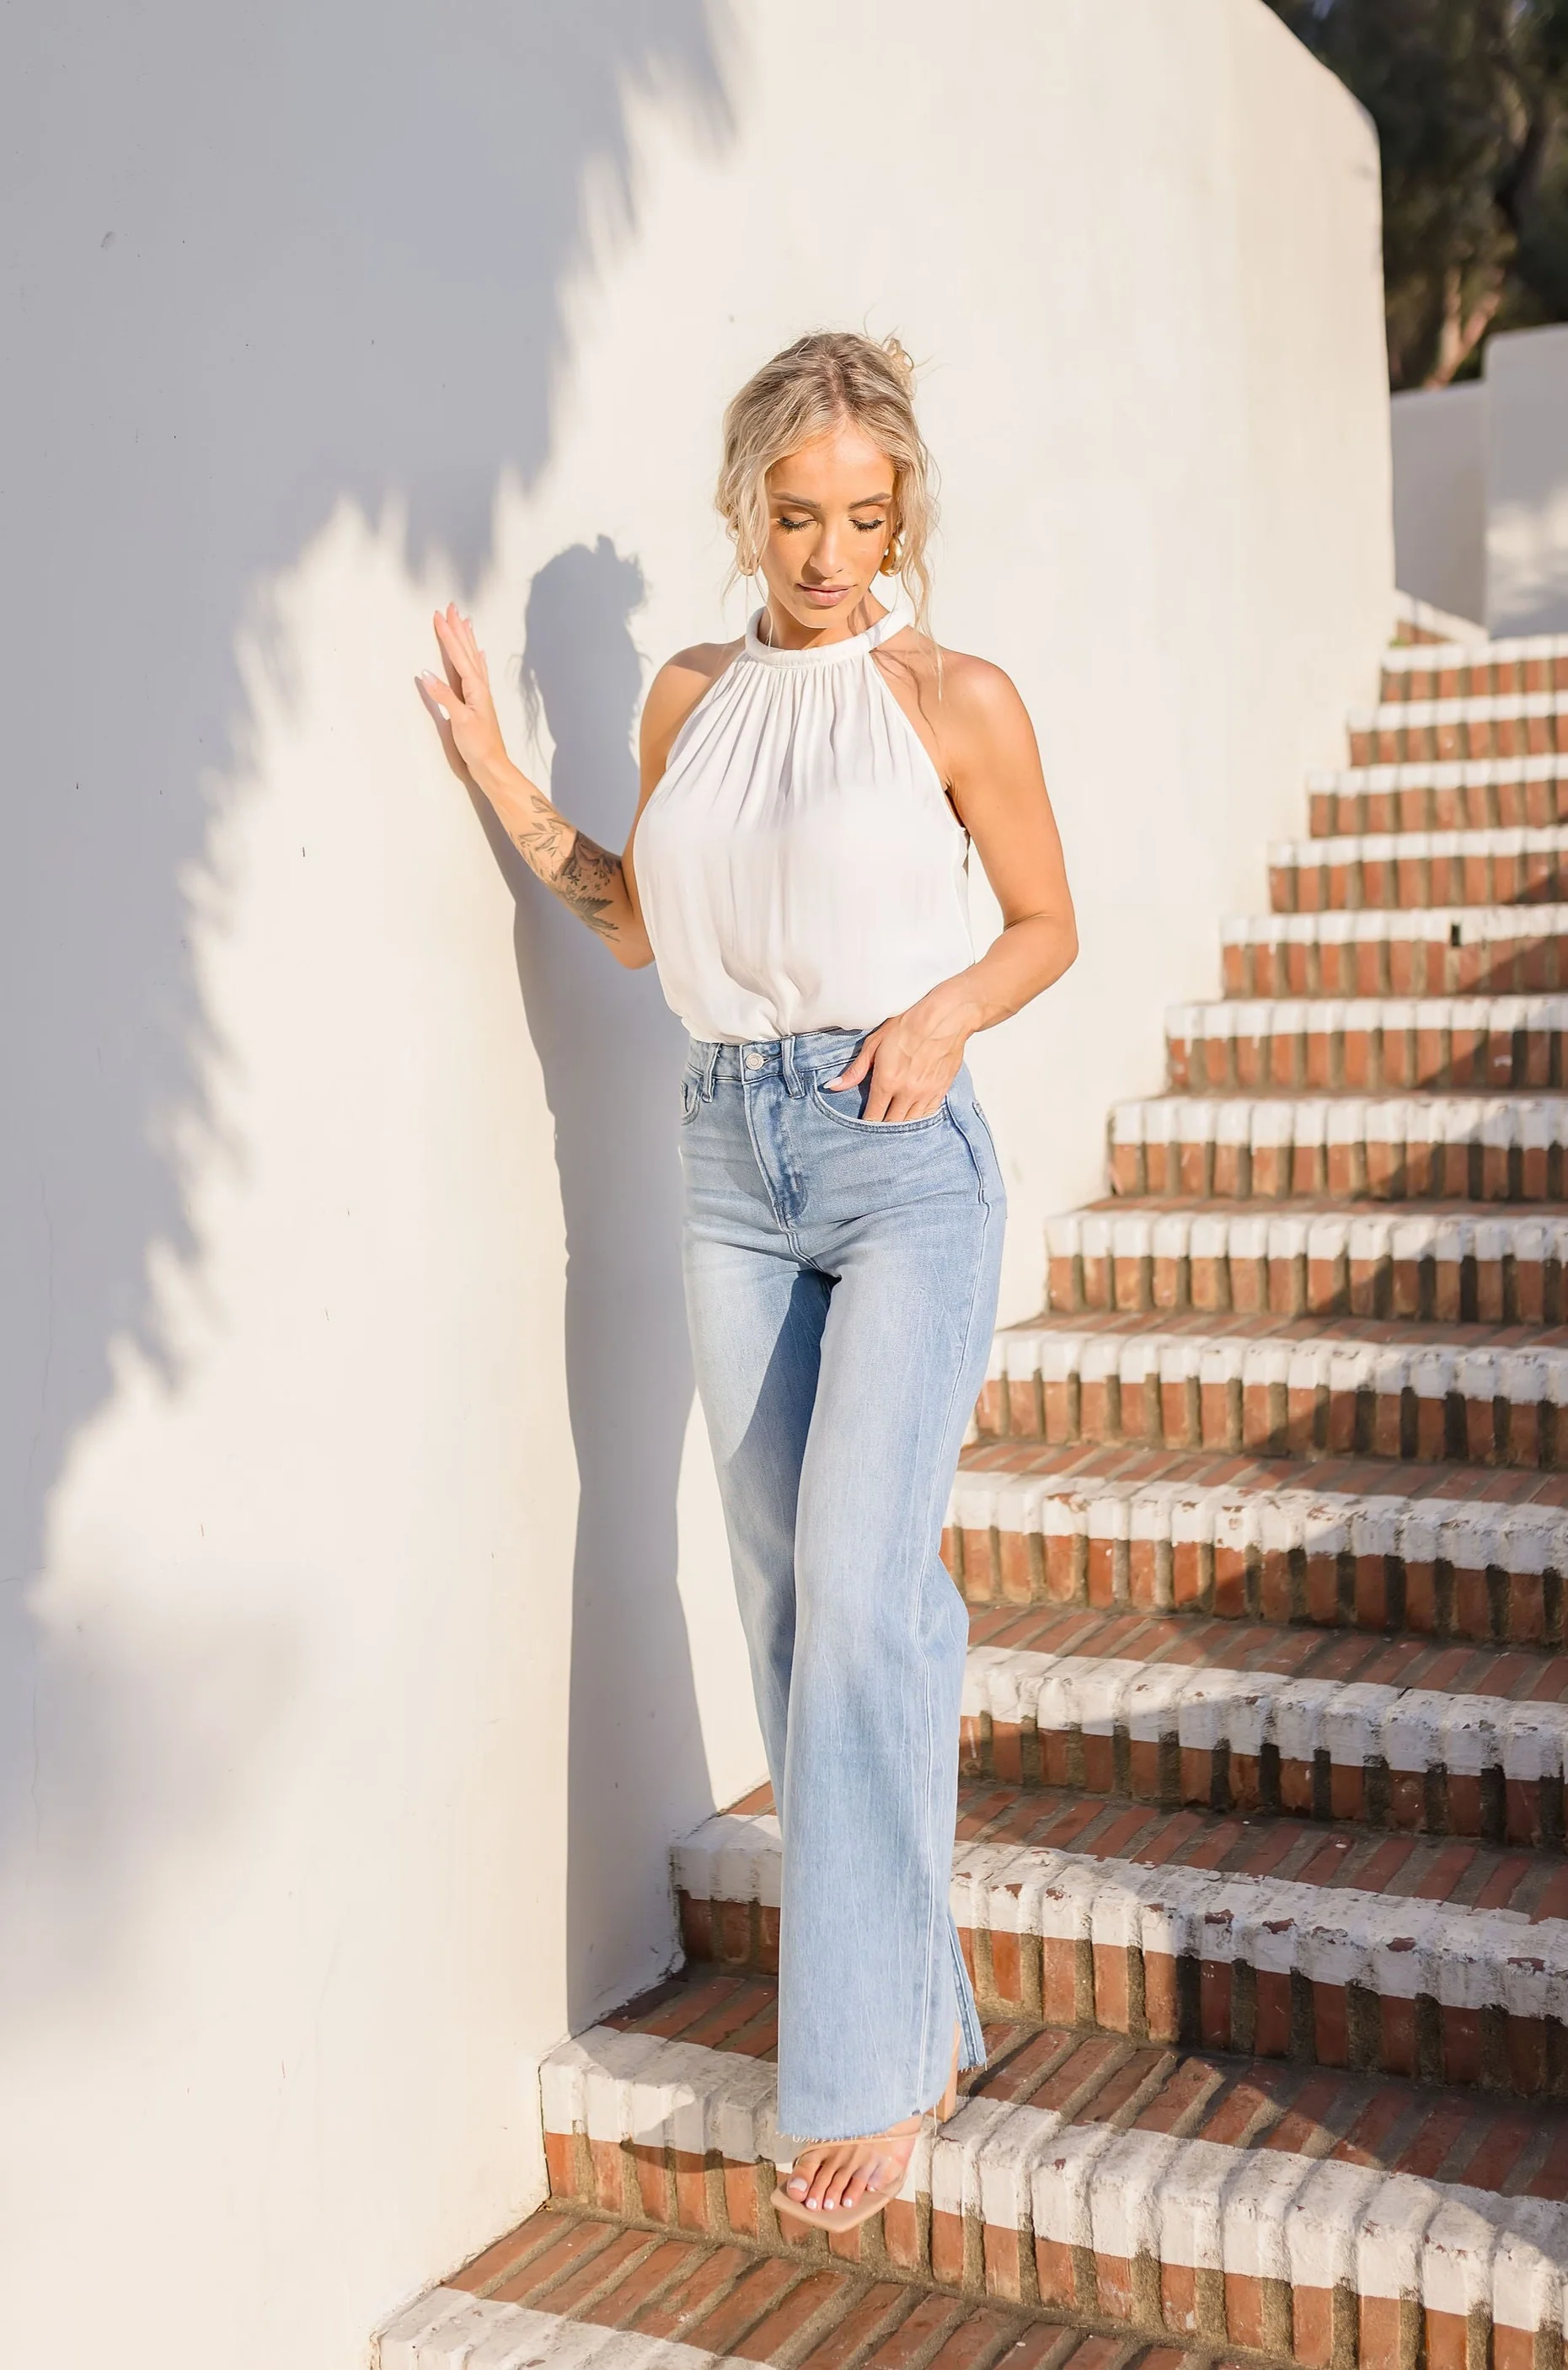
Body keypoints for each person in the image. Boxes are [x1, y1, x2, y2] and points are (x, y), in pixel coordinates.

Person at [416, 330, 1077, 2233]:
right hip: (726, 1156)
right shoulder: (693, 701)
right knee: (795, 1606)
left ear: (904, 515)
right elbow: (635, 921)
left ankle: (865, 2069)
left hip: (899, 1159)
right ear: (747, 506)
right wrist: (487, 761)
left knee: (869, 1595)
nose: (832, 551)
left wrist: (948, 1013)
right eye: (799, 516)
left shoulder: (956, 696)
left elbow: (1047, 918)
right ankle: (928, 2000)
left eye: (867, 517)